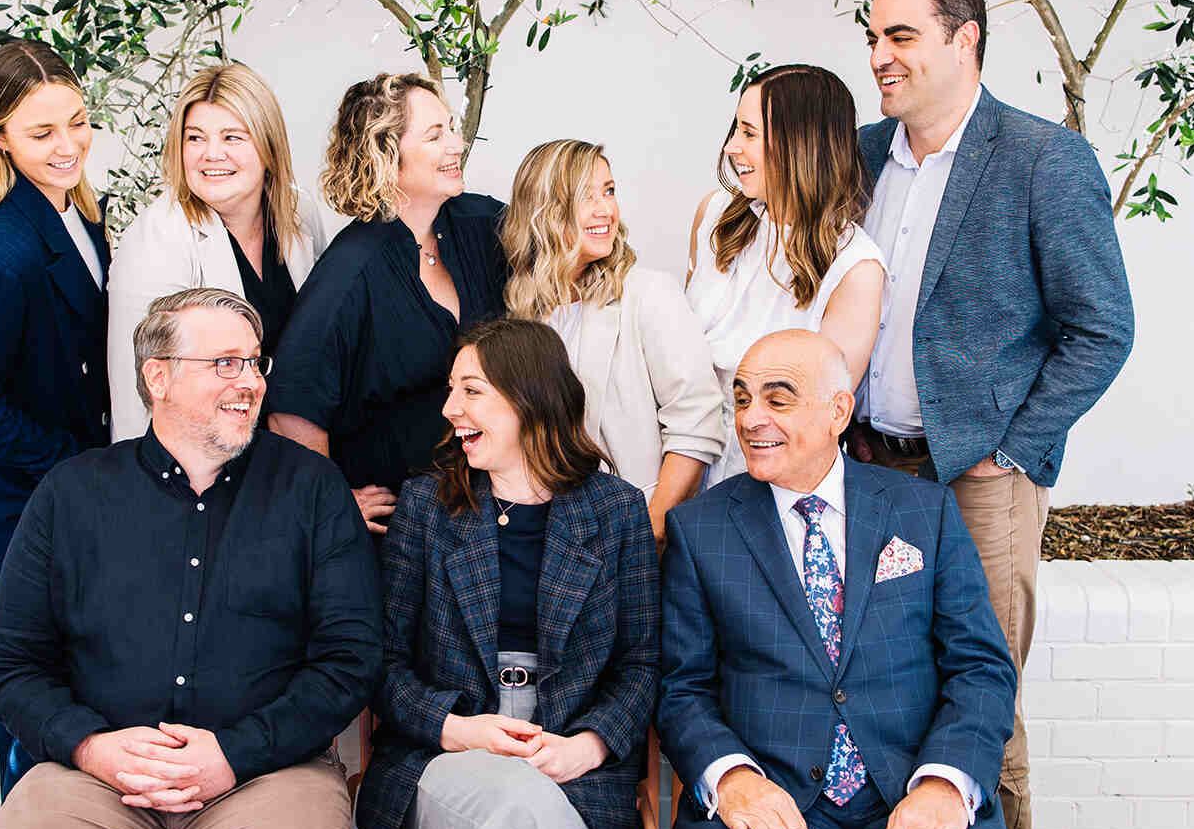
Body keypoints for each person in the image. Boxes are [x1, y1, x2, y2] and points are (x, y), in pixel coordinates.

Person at [0, 287, 381, 829]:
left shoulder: (313, 489)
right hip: (98, 784)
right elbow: (12, 667)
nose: (250, 382)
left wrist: (235, 752)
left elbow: (351, 661)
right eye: (225, 363)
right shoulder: (71, 495)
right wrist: (91, 747)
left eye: (254, 362)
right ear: (159, 378)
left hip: (268, 776)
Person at [849, 0, 1135, 829]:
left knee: (983, 690)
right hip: (863, 468)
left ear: (964, 38)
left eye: (901, 35)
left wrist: (1012, 449)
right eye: (873, 36)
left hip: (979, 480)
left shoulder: (1043, 158)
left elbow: (1103, 327)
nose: (880, 55)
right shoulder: (860, 155)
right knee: (870, 677)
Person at [657, 329, 1023, 829]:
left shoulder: (923, 509)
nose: (751, 419)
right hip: (774, 804)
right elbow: (681, 689)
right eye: (743, 399)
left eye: (777, 399)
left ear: (838, 411)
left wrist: (945, 783)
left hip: (912, 790)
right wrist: (731, 779)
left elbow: (981, 668)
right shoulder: (701, 529)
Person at [355, 318, 660, 829]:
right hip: (444, 764)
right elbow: (383, 665)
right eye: (452, 390)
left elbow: (641, 664)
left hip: (577, 778)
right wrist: (458, 730)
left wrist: (589, 746)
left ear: (530, 399)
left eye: (471, 391)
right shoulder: (426, 506)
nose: (449, 409)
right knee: (523, 807)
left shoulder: (618, 511)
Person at [0, 38, 111, 797]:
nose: (68, 144)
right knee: (35, 660)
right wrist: (75, 463)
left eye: (77, 122)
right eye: (42, 132)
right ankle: (25, 821)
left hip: (63, 474)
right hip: (14, 489)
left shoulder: (77, 213)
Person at [266, 72, 507, 533]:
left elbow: (555, 250)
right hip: (401, 525)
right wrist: (331, 507)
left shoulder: (480, 223)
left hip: (480, 505)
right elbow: (291, 406)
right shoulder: (350, 270)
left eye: (451, 128)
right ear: (386, 155)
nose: (456, 144)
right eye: (435, 136)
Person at [501, 138, 723, 550]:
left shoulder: (648, 293)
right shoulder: (519, 312)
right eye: (586, 196)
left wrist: (652, 528)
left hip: (633, 533)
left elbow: (697, 423)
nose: (605, 209)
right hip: (544, 538)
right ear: (545, 209)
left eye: (608, 191)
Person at [686, 63, 886, 489]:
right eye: (736, 130)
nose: (732, 148)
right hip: (684, 463)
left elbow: (817, 422)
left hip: (770, 487)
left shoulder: (855, 268)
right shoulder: (714, 218)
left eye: (749, 134)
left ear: (800, 144)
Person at [107, 62, 328, 441]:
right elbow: (140, 399)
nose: (211, 154)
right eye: (195, 138)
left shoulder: (298, 212)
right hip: (203, 457)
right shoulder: (156, 238)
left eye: (232, 138)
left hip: (291, 447)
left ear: (268, 146)